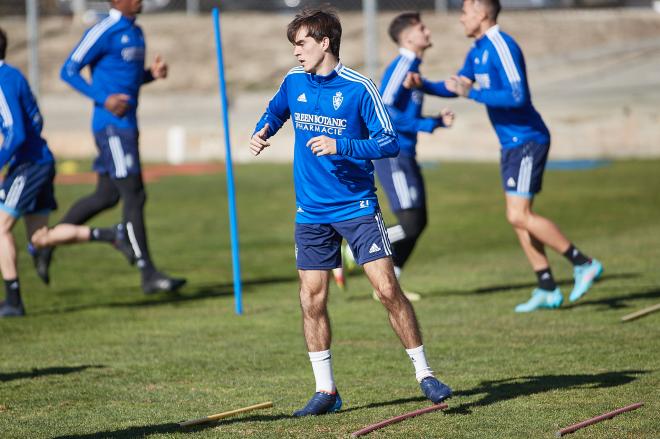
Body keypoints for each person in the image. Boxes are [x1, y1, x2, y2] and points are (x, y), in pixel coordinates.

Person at [249, 8, 452, 416]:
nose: (295, 53)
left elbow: (389, 142)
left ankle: (425, 374)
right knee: (311, 298)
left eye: (301, 43)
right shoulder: (293, 82)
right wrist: (263, 130)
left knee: (387, 290)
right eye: (293, 46)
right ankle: (326, 391)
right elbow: (276, 110)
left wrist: (341, 146)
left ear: (325, 42)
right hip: (310, 211)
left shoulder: (361, 88)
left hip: (357, 207)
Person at [407, 0, 602, 312]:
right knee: (518, 218)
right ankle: (547, 287)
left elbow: (517, 94)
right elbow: (457, 85)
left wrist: (473, 93)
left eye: (465, 11)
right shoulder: (477, 50)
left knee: (518, 214)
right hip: (511, 143)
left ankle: (583, 263)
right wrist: (425, 85)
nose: (460, 19)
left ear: (483, 13)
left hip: (527, 140)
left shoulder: (502, 45)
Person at [33, 0, 186, 294]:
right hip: (111, 127)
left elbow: (126, 79)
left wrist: (151, 75)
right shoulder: (104, 30)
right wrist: (103, 99)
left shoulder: (136, 31)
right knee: (134, 193)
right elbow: (69, 70)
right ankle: (147, 273)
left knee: (106, 195)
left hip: (127, 126)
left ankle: (47, 242)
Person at [0, 28, 126, 317]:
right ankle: (109, 235)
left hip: (29, 164)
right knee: (40, 237)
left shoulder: (2, 80)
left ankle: (13, 300)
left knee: (0, 227)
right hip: (39, 161)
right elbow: (34, 120)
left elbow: (16, 133)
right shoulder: (13, 76)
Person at [371, 12, 455, 301]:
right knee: (410, 224)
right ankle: (357, 248)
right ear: (408, 38)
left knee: (419, 221)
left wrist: (457, 87)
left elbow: (431, 89)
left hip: (406, 154)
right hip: (393, 155)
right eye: (422, 28)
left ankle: (389, 285)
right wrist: (430, 123)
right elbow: (385, 112)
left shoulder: (414, 67)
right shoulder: (403, 65)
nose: (428, 32)